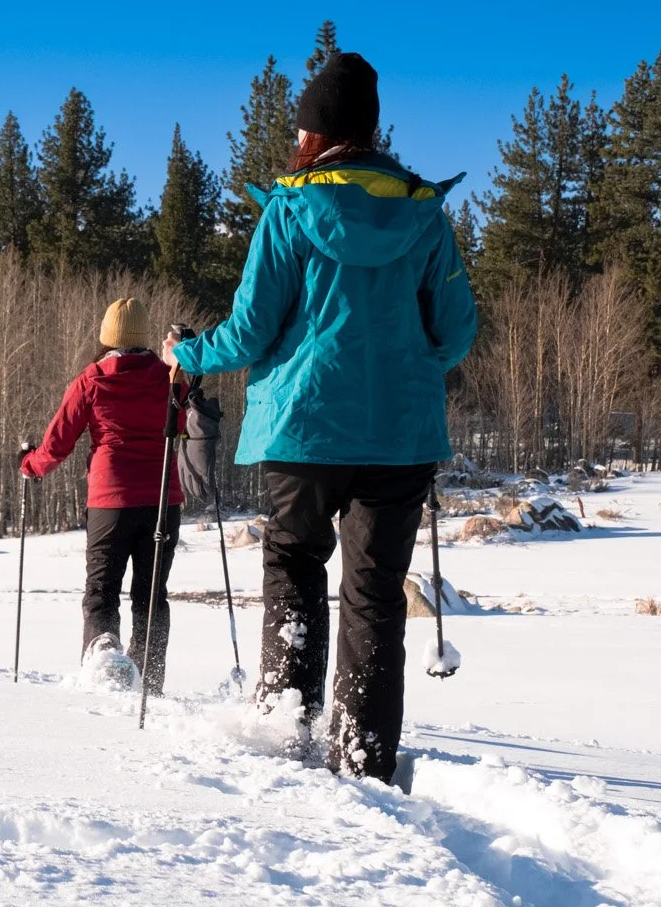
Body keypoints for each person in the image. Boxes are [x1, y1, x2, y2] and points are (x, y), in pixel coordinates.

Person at [163, 51, 477, 785]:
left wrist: (188, 353)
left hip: (303, 429)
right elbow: (456, 331)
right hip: (400, 438)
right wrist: (407, 352)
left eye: (299, 131)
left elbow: (249, 332)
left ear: (314, 136)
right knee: (374, 594)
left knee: (295, 564)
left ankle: (287, 719)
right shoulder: (423, 216)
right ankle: (364, 755)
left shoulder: (289, 213)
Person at [21, 297, 186, 693]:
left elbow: (57, 444)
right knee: (151, 595)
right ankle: (149, 682)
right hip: (163, 498)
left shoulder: (91, 379)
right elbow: (184, 424)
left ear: (107, 336)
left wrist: (30, 465)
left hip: (110, 501)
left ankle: (104, 669)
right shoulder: (169, 378)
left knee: (101, 591)